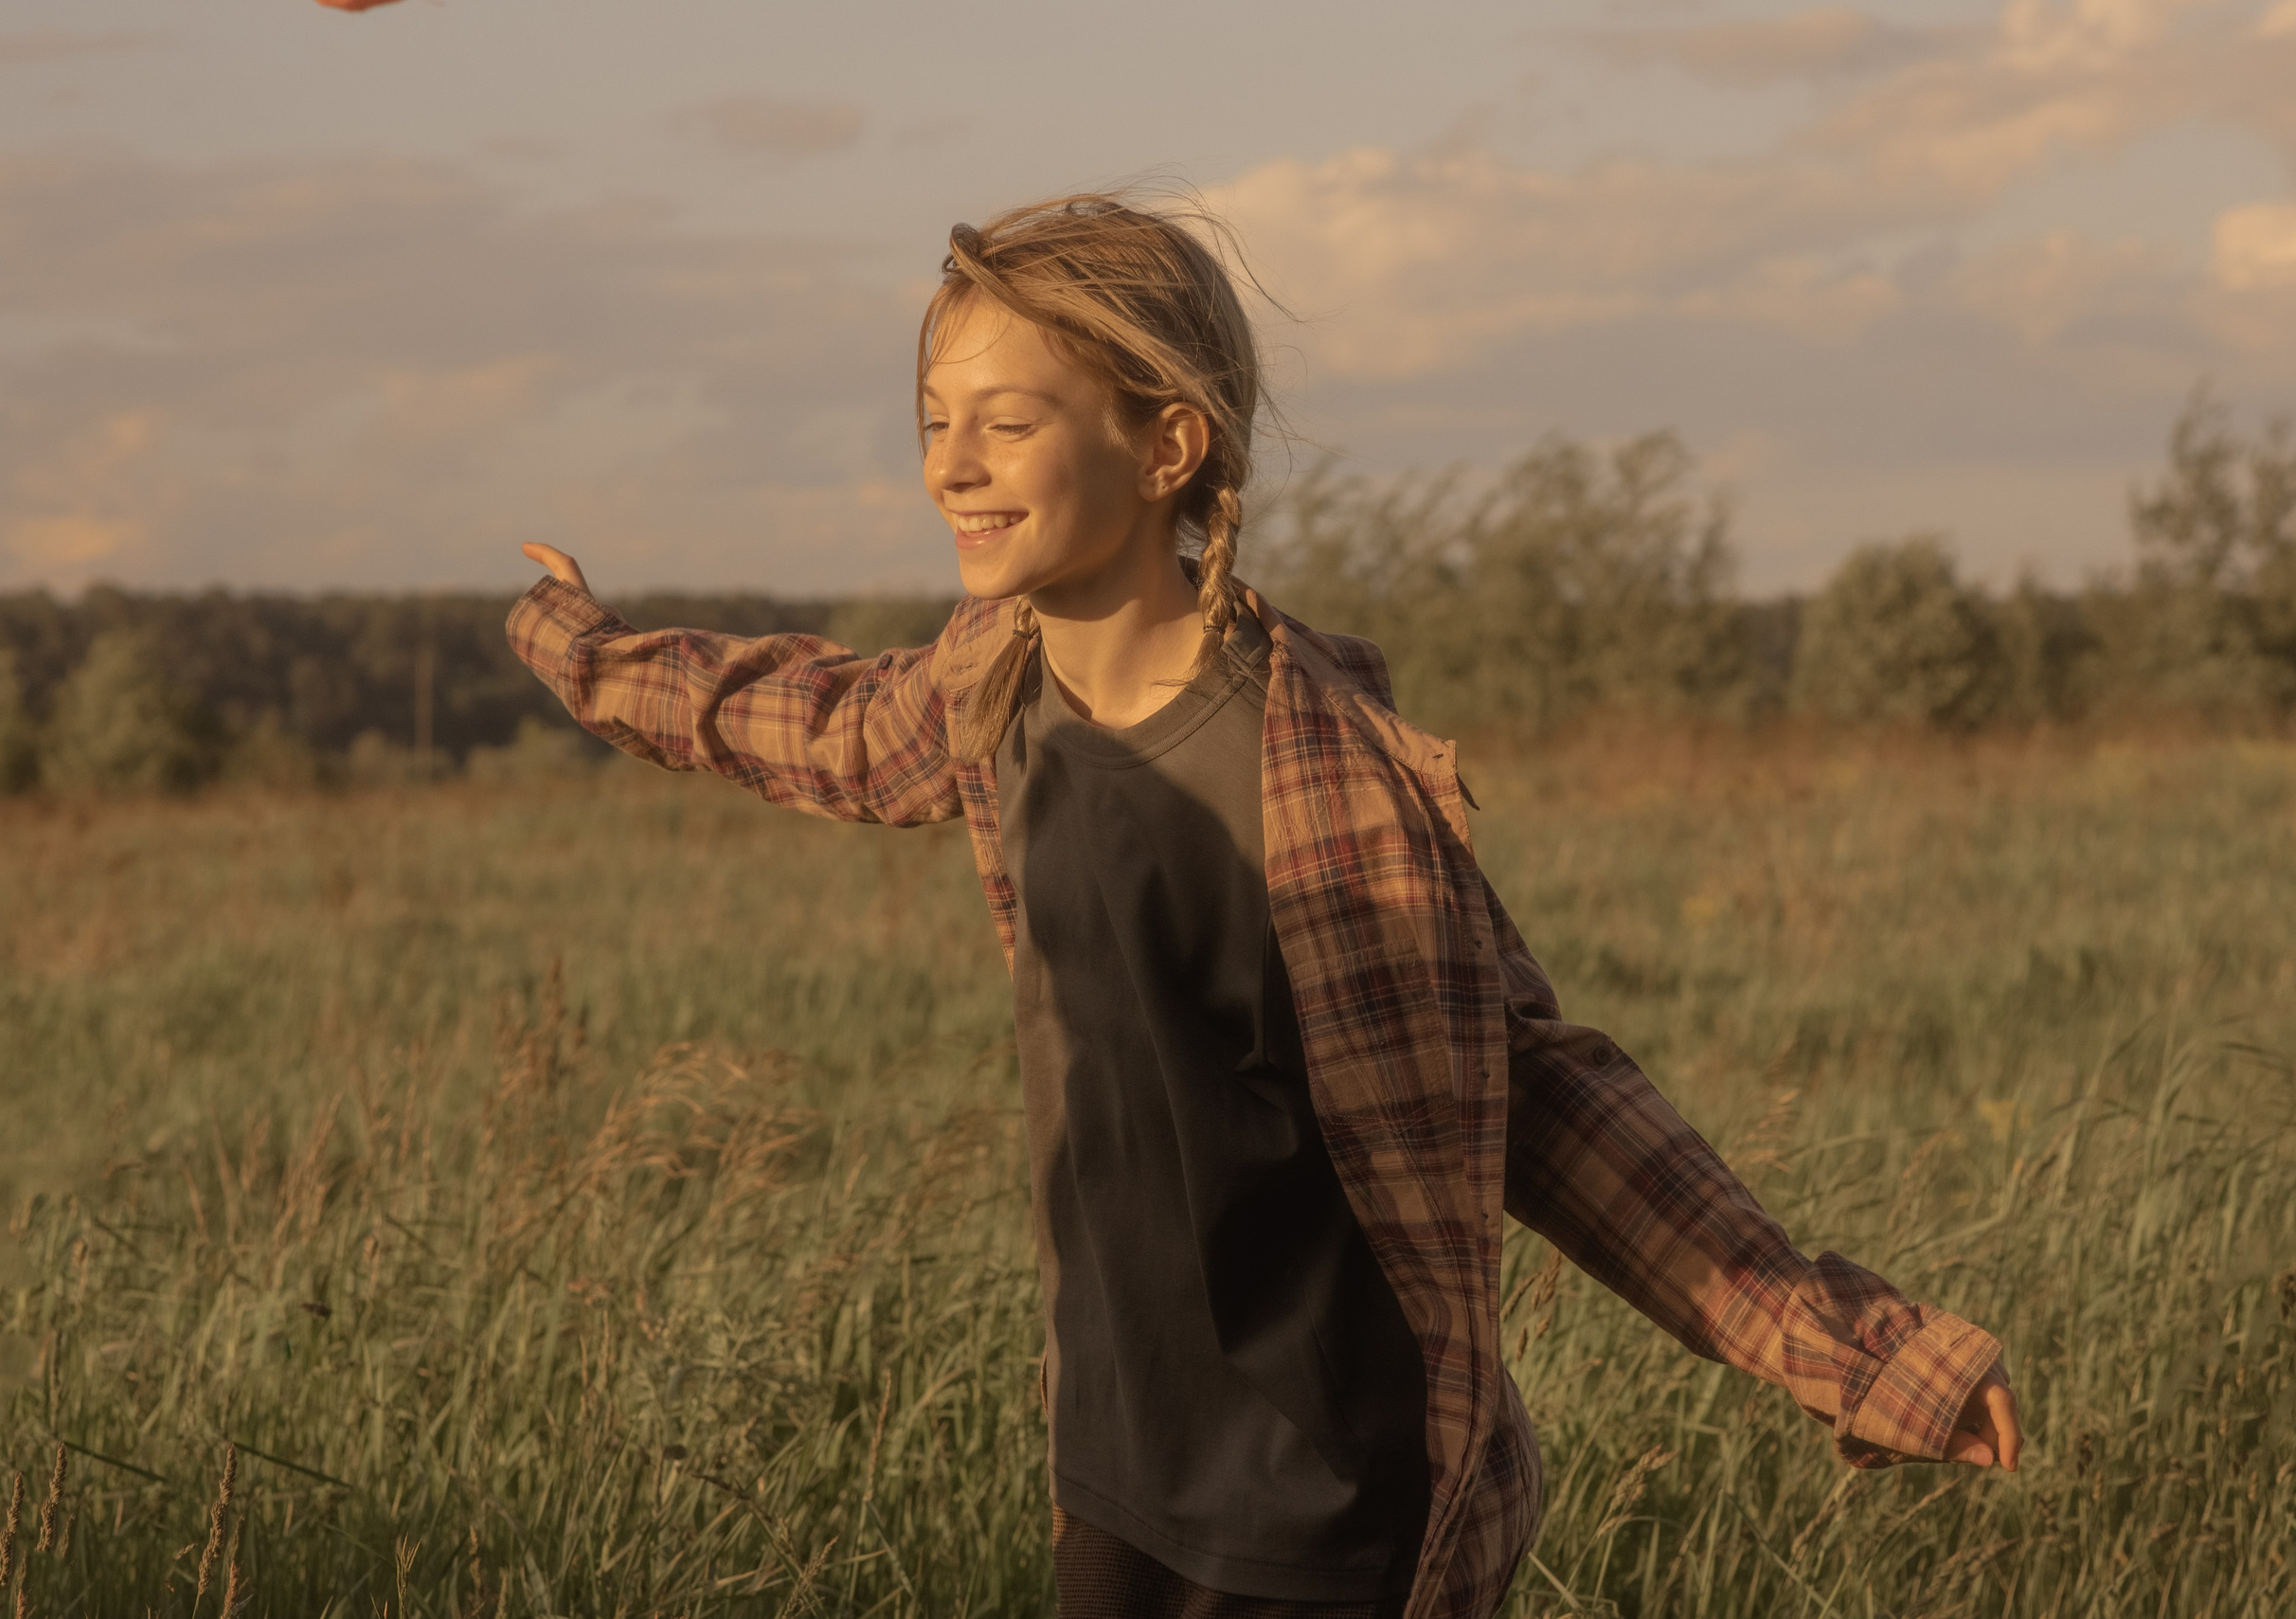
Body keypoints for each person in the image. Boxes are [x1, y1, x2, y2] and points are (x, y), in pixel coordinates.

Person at [507, 193, 2022, 1619]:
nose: (951, 466)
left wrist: (1849, 1349)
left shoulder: (1318, 779)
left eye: (1007, 422)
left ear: (1168, 442)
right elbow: (820, 719)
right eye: (932, 422)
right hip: (1117, 1467)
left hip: (1322, 1510)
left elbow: (1538, 1092)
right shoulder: (995, 678)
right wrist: (585, 647)